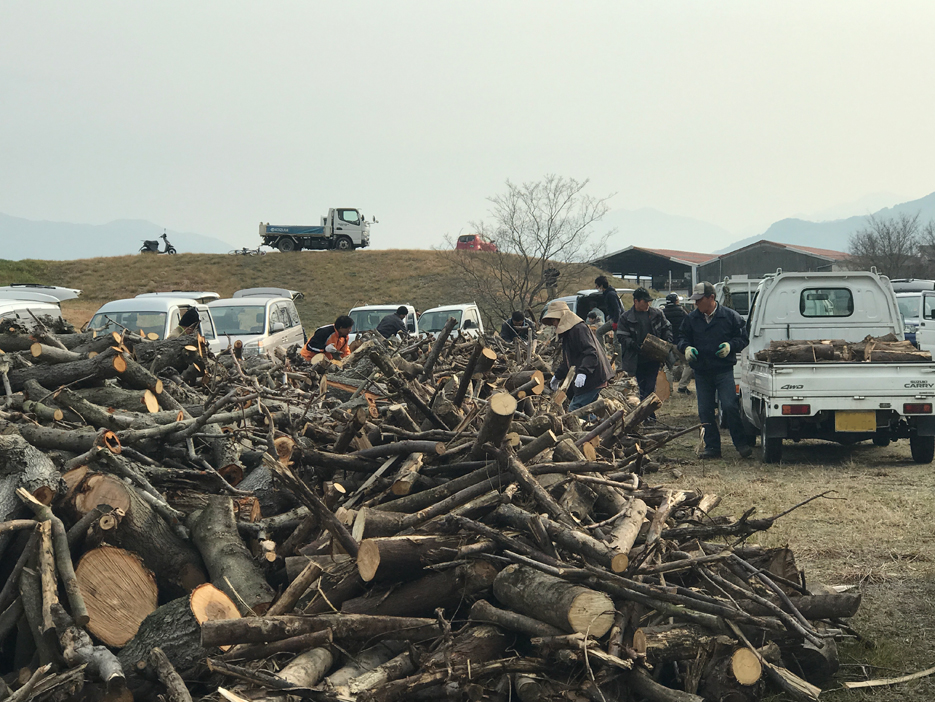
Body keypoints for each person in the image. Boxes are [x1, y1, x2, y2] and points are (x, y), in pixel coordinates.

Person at [677, 281, 753, 459]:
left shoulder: (730, 317)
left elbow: (743, 337)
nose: (696, 304)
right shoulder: (691, 318)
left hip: (723, 370)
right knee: (705, 410)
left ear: (711, 298)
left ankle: (741, 444)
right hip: (702, 372)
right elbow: (681, 337)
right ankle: (712, 447)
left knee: (729, 406)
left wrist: (730, 345)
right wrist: (686, 348)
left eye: (699, 299)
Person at [542, 300, 612, 411]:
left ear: (562, 317)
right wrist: (558, 376)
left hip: (593, 377)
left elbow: (590, 352)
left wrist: (583, 372)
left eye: (554, 320)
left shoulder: (578, 329)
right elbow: (569, 360)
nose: (554, 324)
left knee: (575, 409)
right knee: (587, 411)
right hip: (589, 377)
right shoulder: (568, 333)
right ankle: (598, 425)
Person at [616, 287, 672, 409]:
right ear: (636, 301)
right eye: (645, 301)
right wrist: (632, 344)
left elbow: (667, 327)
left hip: (653, 357)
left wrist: (666, 339)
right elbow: (621, 336)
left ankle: (648, 412)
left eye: (649, 301)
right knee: (641, 386)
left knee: (650, 386)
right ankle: (645, 412)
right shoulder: (625, 318)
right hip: (636, 359)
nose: (648, 304)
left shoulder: (657, 314)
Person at [662, 293, 693, 394]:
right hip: (679, 343)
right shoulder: (681, 312)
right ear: (676, 301)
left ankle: (668, 390)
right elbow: (688, 326)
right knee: (689, 364)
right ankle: (682, 386)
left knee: (668, 367)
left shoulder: (662, 312)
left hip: (666, 343)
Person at [594, 275, 625, 370]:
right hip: (614, 319)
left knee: (616, 342)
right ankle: (604, 356)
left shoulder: (610, 294)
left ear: (601, 285)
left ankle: (620, 365)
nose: (596, 287)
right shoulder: (609, 293)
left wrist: (615, 322)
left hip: (618, 320)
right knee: (599, 332)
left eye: (597, 285)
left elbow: (617, 310)